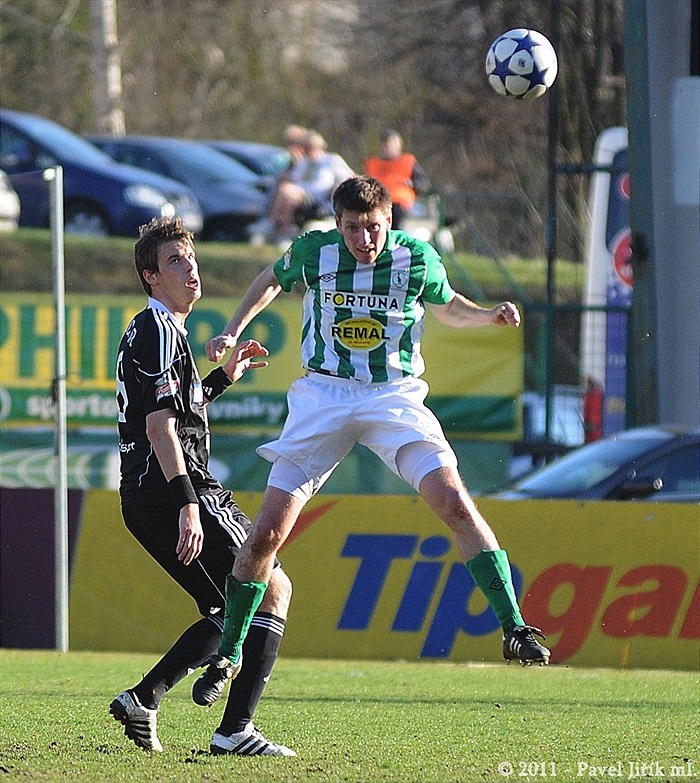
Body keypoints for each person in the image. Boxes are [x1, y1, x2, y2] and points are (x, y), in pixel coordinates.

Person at [193, 175, 550, 717]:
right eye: (355, 228)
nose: (366, 239)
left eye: (375, 227)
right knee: (266, 533)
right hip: (324, 397)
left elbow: (447, 303)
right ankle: (228, 654)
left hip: (394, 397)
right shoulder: (316, 252)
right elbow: (271, 277)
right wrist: (233, 327)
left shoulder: (416, 258)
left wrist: (486, 315)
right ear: (338, 224)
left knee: (454, 501)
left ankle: (515, 628)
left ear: (390, 220)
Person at [111, 216, 295, 757]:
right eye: (174, 261)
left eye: (191, 258)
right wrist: (188, 505)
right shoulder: (159, 330)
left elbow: (170, 409)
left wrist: (219, 380)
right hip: (174, 490)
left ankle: (145, 698)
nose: (190, 268)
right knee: (269, 590)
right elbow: (159, 427)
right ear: (151, 276)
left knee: (226, 608)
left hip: (150, 493)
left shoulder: (158, 330)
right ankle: (234, 729)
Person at [250, 129, 354, 247]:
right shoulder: (303, 162)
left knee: (287, 192)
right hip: (298, 194)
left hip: (317, 199)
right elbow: (293, 177)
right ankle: (279, 231)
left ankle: (277, 227)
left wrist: (337, 188)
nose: (311, 152)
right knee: (285, 191)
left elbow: (348, 176)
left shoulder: (331, 160)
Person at [364, 128, 430, 230]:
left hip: (400, 203)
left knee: (395, 214)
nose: (390, 146)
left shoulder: (408, 161)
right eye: (387, 144)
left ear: (399, 144)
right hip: (376, 202)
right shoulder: (373, 163)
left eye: (393, 143)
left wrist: (412, 184)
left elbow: (423, 183)